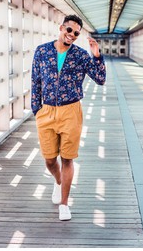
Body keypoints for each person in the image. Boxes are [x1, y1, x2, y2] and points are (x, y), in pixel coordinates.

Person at [31, 14, 106, 221]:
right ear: (61, 27)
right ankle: (58, 182)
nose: (72, 35)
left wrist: (97, 56)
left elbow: (100, 79)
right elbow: (35, 81)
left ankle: (64, 203)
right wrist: (36, 109)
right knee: (48, 159)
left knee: (67, 158)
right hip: (46, 111)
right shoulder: (42, 51)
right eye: (69, 30)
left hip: (71, 111)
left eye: (76, 33)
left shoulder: (81, 55)